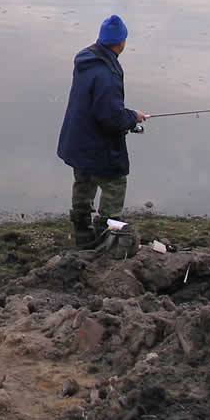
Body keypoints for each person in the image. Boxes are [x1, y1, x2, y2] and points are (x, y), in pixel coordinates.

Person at [56, 14, 147, 248]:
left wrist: (126, 115)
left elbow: (99, 106)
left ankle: (81, 232)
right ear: (121, 42)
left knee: (83, 182)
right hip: (99, 145)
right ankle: (106, 233)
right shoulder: (107, 73)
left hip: (77, 140)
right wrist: (132, 117)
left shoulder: (87, 60)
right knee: (115, 184)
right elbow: (111, 117)